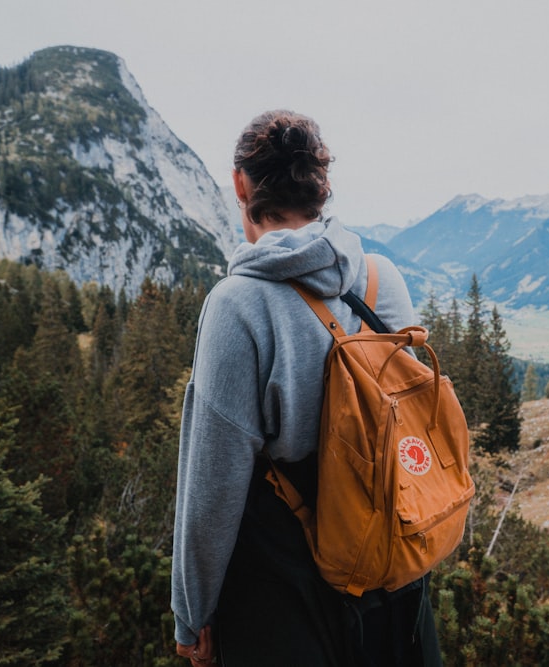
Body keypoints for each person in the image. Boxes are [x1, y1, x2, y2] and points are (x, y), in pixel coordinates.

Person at [171, 110, 442, 666]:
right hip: (393, 584)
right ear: (321, 187)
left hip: (286, 597)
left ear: (241, 184)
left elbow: (211, 487)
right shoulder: (378, 277)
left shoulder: (237, 304)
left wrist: (191, 616)